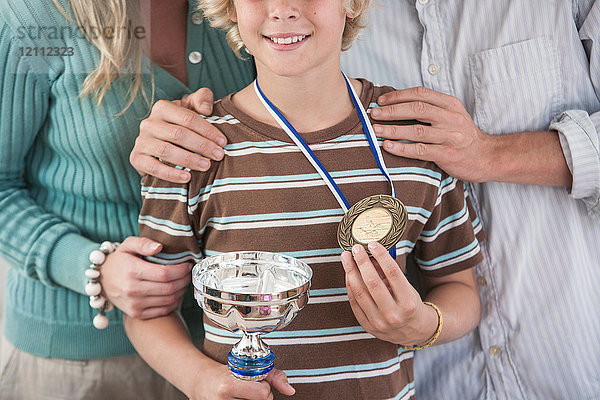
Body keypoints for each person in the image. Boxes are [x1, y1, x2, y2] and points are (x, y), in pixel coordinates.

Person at [131, 1, 600, 399]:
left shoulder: (416, 137)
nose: (283, 9)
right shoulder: (195, 148)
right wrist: (200, 382)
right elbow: (148, 308)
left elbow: (461, 291)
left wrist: (425, 326)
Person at [0, 0, 254, 398]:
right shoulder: (34, 14)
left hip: (232, 349)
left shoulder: (247, 6)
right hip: (83, 361)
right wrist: (94, 268)